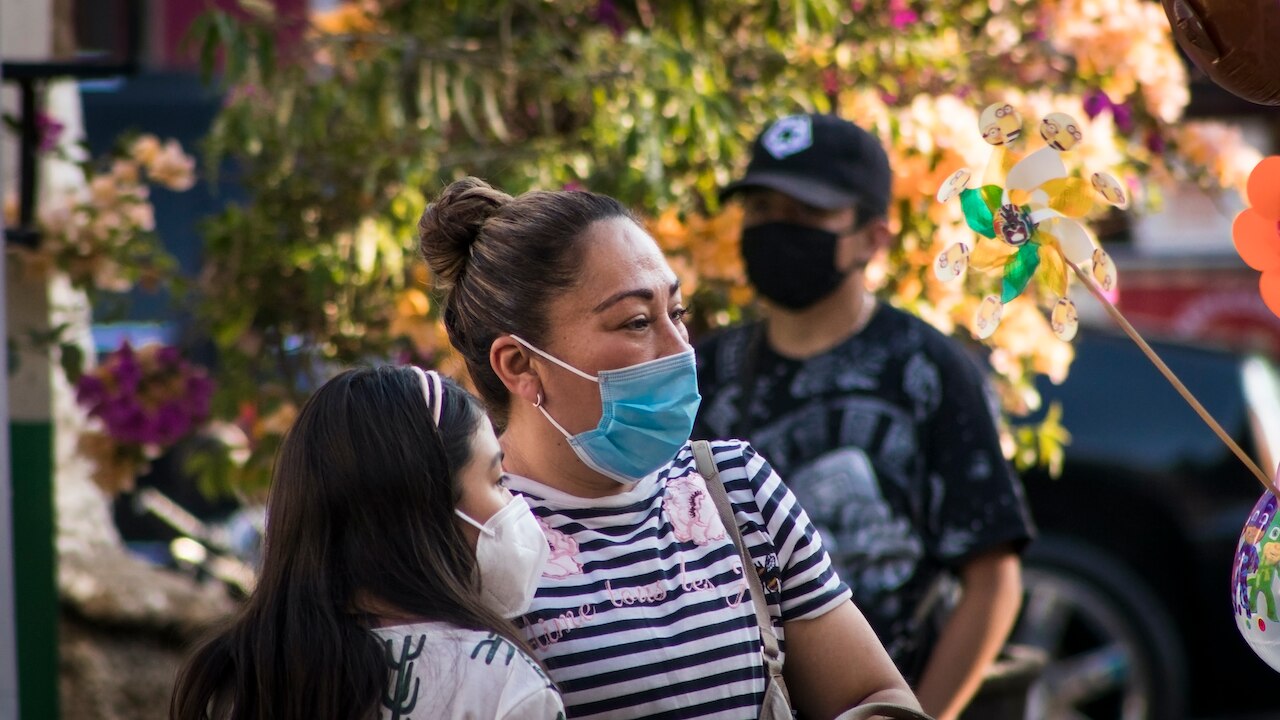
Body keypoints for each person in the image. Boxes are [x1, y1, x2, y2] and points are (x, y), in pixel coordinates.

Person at [417, 177, 921, 719]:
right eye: (636, 321)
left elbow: (878, 698)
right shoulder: (464, 536)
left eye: (676, 314)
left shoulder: (734, 487)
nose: (681, 349)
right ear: (520, 365)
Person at [692, 113, 1035, 720]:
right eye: (761, 208)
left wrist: (917, 714)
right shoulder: (706, 373)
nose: (776, 230)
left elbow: (993, 579)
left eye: (804, 214)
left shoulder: (928, 369)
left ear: (873, 237)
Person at [169, 366, 564, 719]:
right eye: (497, 480)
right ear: (427, 504)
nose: (514, 505)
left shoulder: (227, 679)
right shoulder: (504, 686)